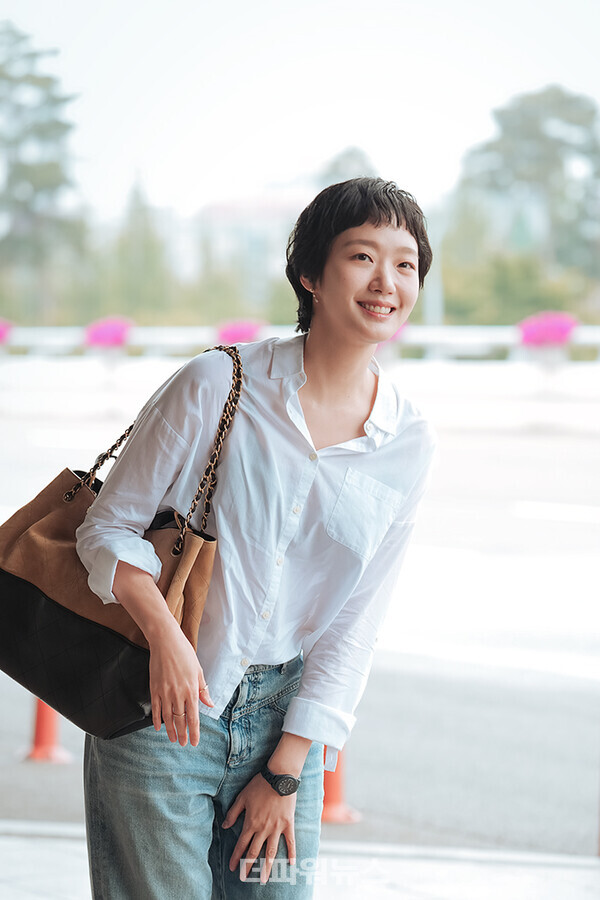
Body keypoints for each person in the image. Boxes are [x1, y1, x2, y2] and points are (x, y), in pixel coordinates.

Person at [76, 176, 436, 899]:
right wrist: (168, 639)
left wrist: (287, 768)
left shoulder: (407, 442)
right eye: (362, 257)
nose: (386, 282)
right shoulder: (217, 384)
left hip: (284, 731)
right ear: (309, 272)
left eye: (405, 263)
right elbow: (106, 530)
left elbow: (354, 624)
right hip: (160, 709)